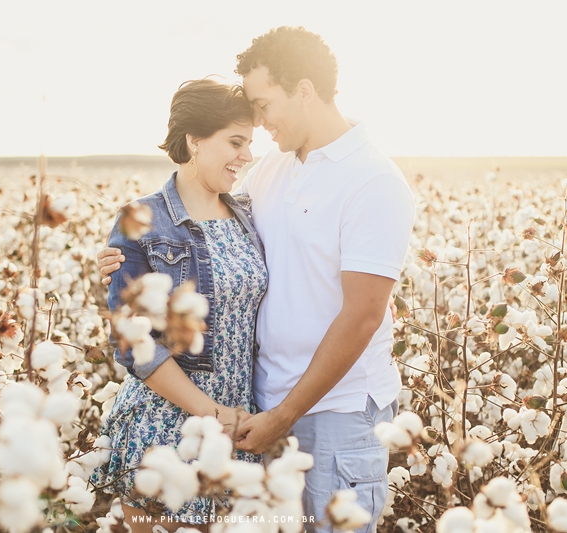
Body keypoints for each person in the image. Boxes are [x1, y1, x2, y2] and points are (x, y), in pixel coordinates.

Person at [99, 27, 416, 533]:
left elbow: (363, 312)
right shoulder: (270, 172)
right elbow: (183, 249)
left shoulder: (373, 179)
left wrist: (282, 414)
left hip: (327, 412)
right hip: (246, 417)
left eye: (264, 106)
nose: (259, 128)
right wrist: (124, 260)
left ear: (305, 91)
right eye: (242, 131)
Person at [90, 79, 267, 533]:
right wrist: (212, 415)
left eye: (249, 143)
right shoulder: (141, 220)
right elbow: (134, 344)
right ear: (194, 140)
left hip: (241, 426)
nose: (246, 155)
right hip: (166, 424)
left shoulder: (252, 212)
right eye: (235, 141)